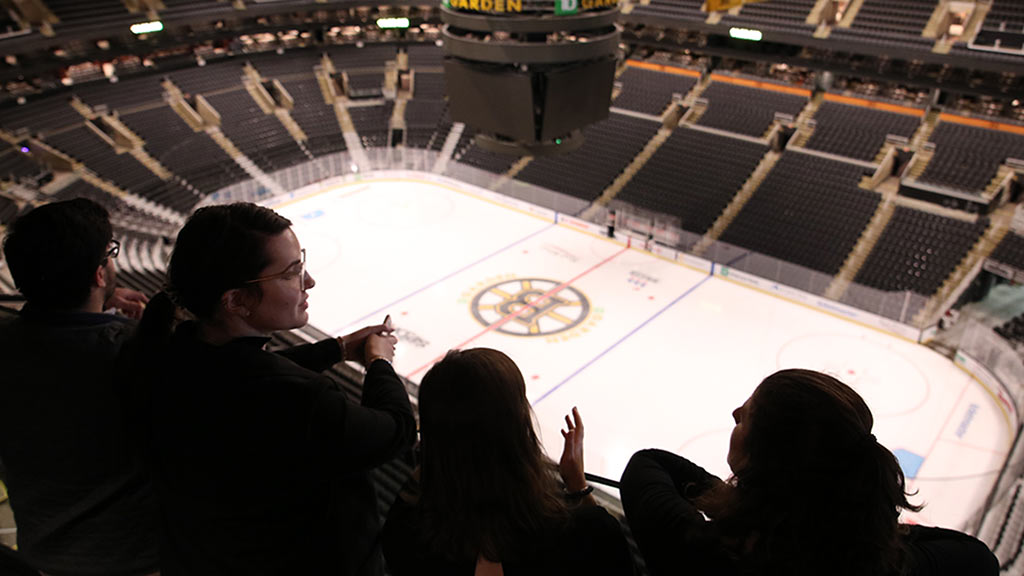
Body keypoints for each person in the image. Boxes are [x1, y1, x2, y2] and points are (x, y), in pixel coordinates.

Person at [130, 202, 416, 576]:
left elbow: (244, 370)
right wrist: (379, 362)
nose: (309, 281)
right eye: (292, 272)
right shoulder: (300, 399)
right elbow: (397, 430)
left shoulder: (170, 353)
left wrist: (339, 348)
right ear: (235, 300)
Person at [620, 369, 999, 576]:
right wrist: (860, 525)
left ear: (766, 459)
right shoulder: (887, 567)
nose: (736, 412)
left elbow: (648, 464)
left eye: (749, 415)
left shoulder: (705, 553)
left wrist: (727, 502)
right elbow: (978, 558)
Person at [0, 198, 159, 576]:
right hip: (140, 560)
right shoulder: (135, 351)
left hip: (49, 558)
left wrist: (98, 301)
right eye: (110, 254)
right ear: (99, 274)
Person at [382, 348, 633, 575]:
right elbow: (609, 554)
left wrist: (443, 448)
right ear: (518, 429)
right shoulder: (581, 532)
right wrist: (578, 484)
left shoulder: (405, 528)